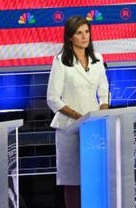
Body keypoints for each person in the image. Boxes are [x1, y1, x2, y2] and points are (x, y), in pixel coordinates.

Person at [46, 16, 110, 208]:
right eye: (79, 33)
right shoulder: (61, 62)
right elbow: (52, 98)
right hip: (69, 128)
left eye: (87, 32)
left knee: (95, 177)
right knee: (73, 180)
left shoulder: (98, 59)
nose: (84, 37)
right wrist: (80, 117)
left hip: (94, 128)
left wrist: (101, 112)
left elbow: (104, 91)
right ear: (70, 37)